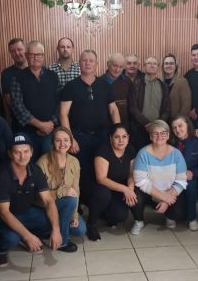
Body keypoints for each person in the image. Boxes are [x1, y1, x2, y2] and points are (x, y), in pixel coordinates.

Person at [0, 133, 78, 266]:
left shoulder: (35, 170)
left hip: (27, 212)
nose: (22, 156)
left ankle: (33, 233)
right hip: (6, 217)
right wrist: (27, 236)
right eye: (17, 152)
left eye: (26, 151)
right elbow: (4, 212)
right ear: (10, 153)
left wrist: (56, 230)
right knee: (12, 238)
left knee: (55, 219)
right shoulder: (2, 174)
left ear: (31, 152)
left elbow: (49, 200)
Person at [59, 50, 121, 203]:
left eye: (91, 60)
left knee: (101, 171)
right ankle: (79, 205)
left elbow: (113, 110)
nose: (87, 63)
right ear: (79, 63)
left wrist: (118, 133)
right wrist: (70, 139)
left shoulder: (105, 85)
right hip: (79, 137)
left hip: (102, 137)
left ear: (96, 64)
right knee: (80, 172)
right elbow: (63, 114)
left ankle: (100, 204)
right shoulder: (71, 86)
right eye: (84, 60)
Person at [131, 120, 187, 235]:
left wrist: (166, 200)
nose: (159, 136)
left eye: (163, 133)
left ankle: (169, 216)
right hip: (149, 193)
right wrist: (162, 197)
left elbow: (181, 181)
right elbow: (140, 181)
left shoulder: (176, 154)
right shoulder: (143, 153)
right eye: (155, 133)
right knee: (135, 196)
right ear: (151, 136)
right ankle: (139, 221)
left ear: (168, 135)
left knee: (179, 213)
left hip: (169, 192)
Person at [87, 124, 139, 241]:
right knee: (103, 194)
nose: (121, 140)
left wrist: (130, 188)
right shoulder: (103, 150)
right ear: (110, 138)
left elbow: (132, 174)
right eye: (117, 137)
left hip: (118, 189)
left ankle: (105, 213)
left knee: (120, 216)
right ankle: (91, 225)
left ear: (128, 138)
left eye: (124, 136)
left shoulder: (130, 149)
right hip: (100, 187)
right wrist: (125, 189)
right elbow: (101, 178)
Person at [36, 127, 87, 245]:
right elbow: (38, 196)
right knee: (70, 200)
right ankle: (62, 242)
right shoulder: (42, 162)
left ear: (71, 142)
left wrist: (74, 215)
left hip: (67, 205)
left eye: (66, 140)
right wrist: (62, 192)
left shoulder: (74, 161)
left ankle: (50, 229)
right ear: (52, 142)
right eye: (58, 140)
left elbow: (76, 190)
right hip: (46, 206)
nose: (62, 144)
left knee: (80, 230)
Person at [10, 40, 59, 159]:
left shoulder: (53, 76)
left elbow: (59, 103)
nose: (35, 58)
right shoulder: (17, 77)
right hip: (27, 131)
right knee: (27, 162)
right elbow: (17, 106)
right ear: (26, 56)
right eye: (32, 55)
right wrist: (39, 125)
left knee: (48, 163)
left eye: (39, 55)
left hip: (49, 130)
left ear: (43, 56)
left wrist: (49, 125)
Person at [171, 115, 198, 231]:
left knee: (191, 185)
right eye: (174, 127)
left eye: (180, 126)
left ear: (187, 125)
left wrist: (193, 173)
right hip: (173, 176)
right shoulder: (170, 142)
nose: (177, 130)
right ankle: (169, 215)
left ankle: (192, 218)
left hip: (191, 177)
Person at [128, 56, 171, 149]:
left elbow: (167, 109)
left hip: (158, 131)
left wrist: (158, 124)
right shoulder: (136, 84)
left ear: (158, 67)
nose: (152, 65)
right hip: (140, 129)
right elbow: (132, 107)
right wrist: (147, 124)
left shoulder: (163, 86)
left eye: (155, 64)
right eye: (149, 63)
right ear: (144, 67)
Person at [101, 53, 132, 127]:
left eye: (121, 67)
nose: (117, 70)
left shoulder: (128, 82)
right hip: (105, 127)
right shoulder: (99, 82)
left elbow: (131, 106)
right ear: (108, 64)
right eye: (114, 66)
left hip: (125, 126)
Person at [1, 37, 28, 121]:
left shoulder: (36, 70)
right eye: (13, 51)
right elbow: (8, 100)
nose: (17, 53)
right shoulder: (6, 73)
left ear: (25, 50)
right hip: (18, 118)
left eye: (19, 49)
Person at [161, 54, 192, 120]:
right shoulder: (160, 82)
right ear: (163, 66)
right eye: (166, 63)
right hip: (162, 122)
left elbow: (186, 106)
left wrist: (179, 121)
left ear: (176, 66)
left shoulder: (182, 82)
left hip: (176, 121)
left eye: (171, 63)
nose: (168, 65)